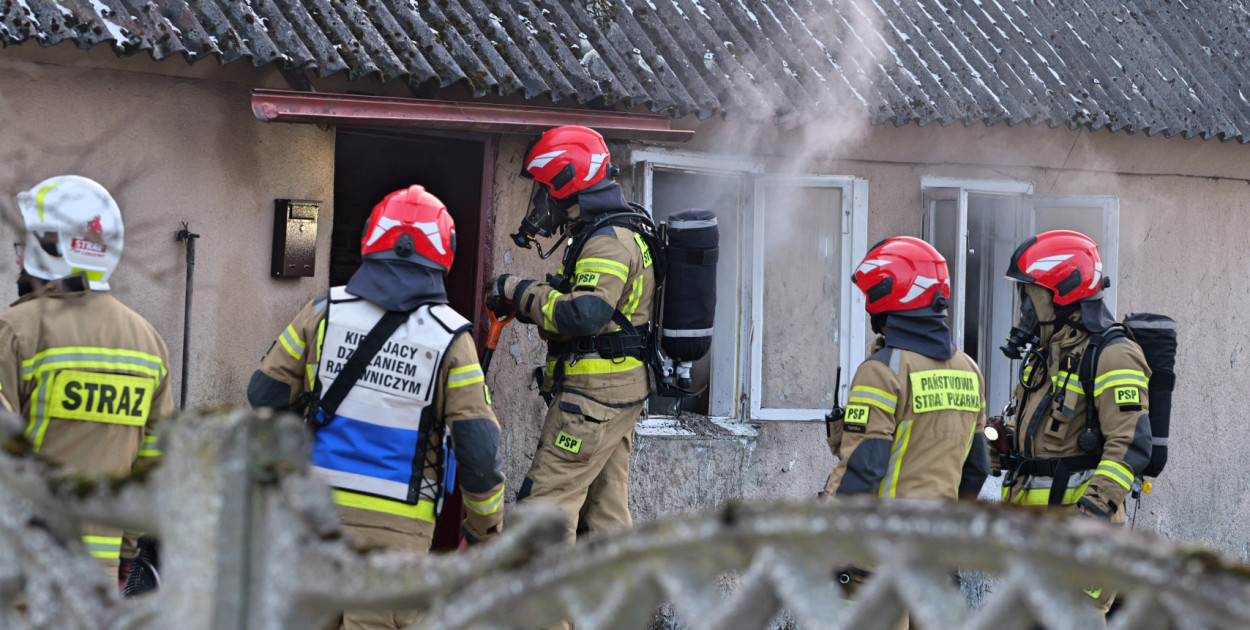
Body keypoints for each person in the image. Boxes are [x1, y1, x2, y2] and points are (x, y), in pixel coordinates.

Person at [248, 185, 504, 630]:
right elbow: (479, 452)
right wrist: (484, 531)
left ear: (372, 237)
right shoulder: (451, 340)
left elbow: (264, 395)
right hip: (395, 540)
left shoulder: (324, 312)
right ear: (445, 251)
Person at [0, 175, 174, 583]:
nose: (20, 257)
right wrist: (127, 556)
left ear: (49, 249)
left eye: (27, 245)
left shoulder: (15, 332)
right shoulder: (148, 344)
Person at [487, 125, 655, 543]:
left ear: (568, 182)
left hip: (593, 401)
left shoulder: (607, 241)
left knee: (542, 516)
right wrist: (531, 306)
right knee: (605, 516)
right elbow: (590, 308)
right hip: (616, 394)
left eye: (545, 189)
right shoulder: (608, 231)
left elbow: (586, 315)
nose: (541, 202)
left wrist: (517, 291)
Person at [824, 237, 989, 629]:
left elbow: (864, 467)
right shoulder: (969, 369)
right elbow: (977, 467)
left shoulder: (882, 371)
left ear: (889, 297)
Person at [997, 230, 1152, 616]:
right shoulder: (1049, 355)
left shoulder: (1115, 355)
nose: (1025, 309)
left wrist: (1091, 514)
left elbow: (1130, 445)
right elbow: (1052, 440)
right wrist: (1002, 446)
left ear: (1061, 294)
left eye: (1030, 296)